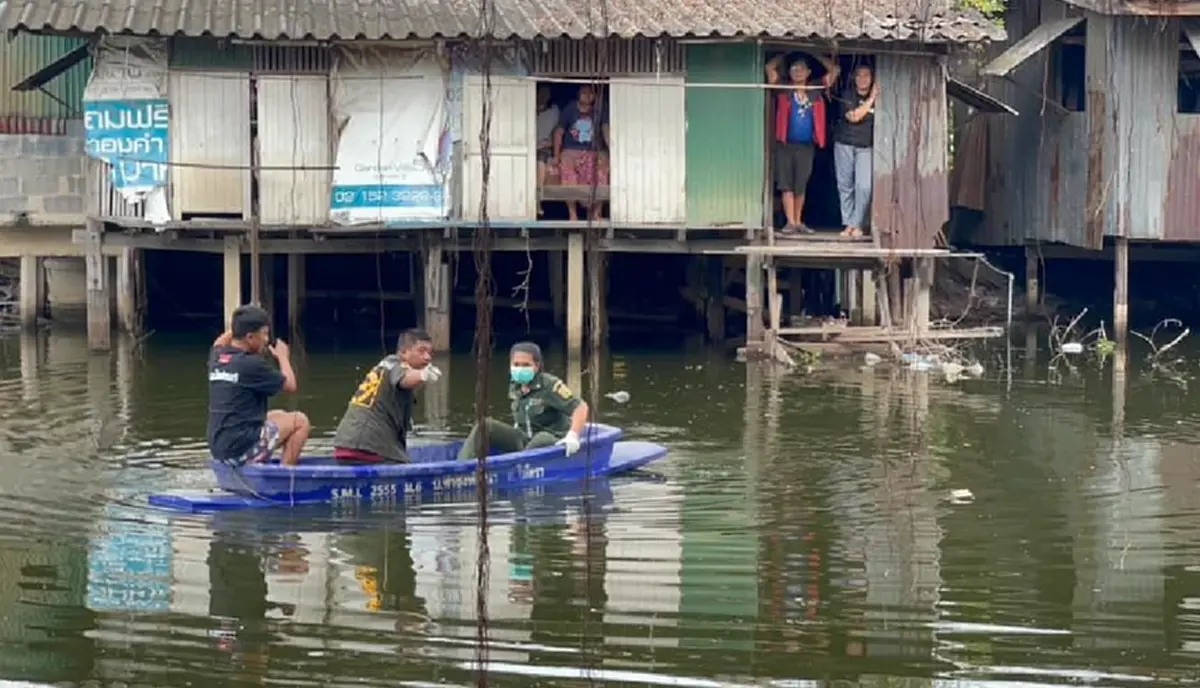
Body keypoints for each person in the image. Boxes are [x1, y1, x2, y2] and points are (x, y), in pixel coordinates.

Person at [207, 304, 311, 467]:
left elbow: (220, 341)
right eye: (264, 334)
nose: (266, 340)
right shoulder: (251, 364)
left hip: (219, 448)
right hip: (239, 450)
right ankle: (285, 473)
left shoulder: (218, 356)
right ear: (249, 337)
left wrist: (244, 322)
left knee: (279, 414)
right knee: (300, 421)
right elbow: (290, 386)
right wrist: (283, 357)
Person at [457, 341, 589, 461]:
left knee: (540, 438)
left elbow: (580, 407)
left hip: (551, 439)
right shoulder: (515, 386)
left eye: (526, 365)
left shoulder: (549, 385)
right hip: (524, 439)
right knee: (485, 426)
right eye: (516, 364)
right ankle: (462, 466)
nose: (520, 369)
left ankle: (520, 466)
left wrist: (573, 436)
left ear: (536, 366)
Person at [331, 328, 442, 465]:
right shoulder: (395, 364)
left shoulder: (385, 366)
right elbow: (404, 378)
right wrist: (424, 374)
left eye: (430, 353)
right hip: (368, 448)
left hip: (344, 445)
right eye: (421, 351)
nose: (427, 357)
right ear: (404, 352)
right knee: (404, 464)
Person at [773, 55, 839, 236]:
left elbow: (834, 71)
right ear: (789, 72)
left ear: (809, 72)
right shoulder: (784, 89)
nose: (798, 72)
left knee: (800, 184)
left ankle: (798, 221)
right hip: (785, 144)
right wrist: (787, 52)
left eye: (801, 68)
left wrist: (813, 52)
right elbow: (769, 68)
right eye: (794, 69)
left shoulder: (815, 90)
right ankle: (790, 222)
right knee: (786, 184)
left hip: (807, 146)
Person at [553, 83, 610, 222]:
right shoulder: (570, 108)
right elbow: (559, 132)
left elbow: (605, 130)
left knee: (602, 173)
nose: (588, 96)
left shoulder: (600, 108)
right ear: (578, 94)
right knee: (568, 174)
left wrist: (612, 151)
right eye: (584, 92)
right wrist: (556, 156)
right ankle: (572, 214)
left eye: (591, 93)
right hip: (571, 150)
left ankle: (596, 213)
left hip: (593, 151)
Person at [834, 64, 878, 239]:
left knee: (864, 186)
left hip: (865, 146)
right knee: (845, 185)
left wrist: (873, 98)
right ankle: (848, 224)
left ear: (872, 78)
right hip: (844, 143)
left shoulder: (881, 98)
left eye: (866, 75)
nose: (862, 79)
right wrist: (872, 98)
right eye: (859, 75)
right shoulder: (847, 95)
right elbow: (854, 116)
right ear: (854, 78)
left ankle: (856, 223)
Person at [536, 85, 562, 217]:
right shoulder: (527, 109)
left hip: (544, 149)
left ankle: (537, 200)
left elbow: (556, 136)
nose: (543, 96)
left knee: (541, 162)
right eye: (541, 92)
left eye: (546, 93)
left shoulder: (554, 112)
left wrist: (545, 144)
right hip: (528, 147)